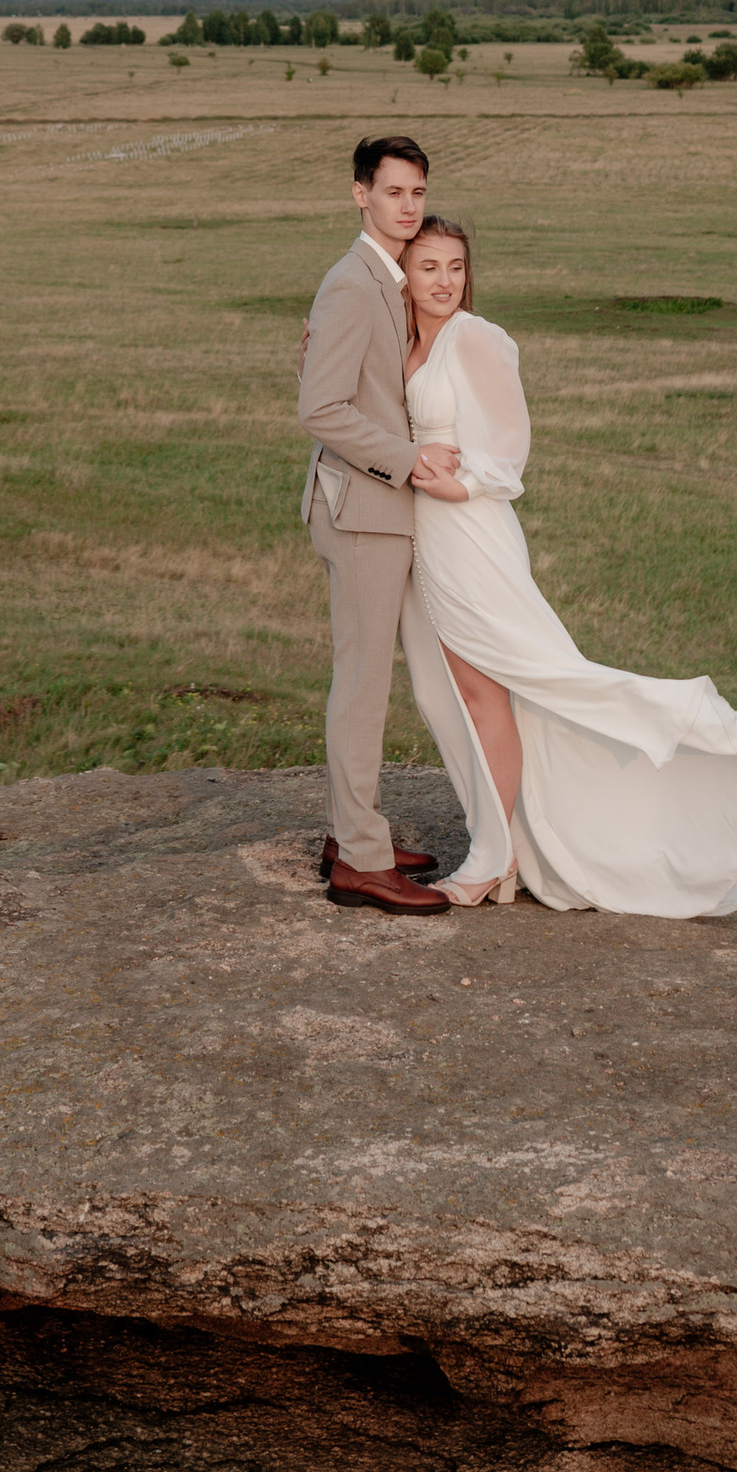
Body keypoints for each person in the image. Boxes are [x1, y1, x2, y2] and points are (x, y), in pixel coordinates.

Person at [399, 213, 737, 915]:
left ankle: (492, 858)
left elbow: (510, 441)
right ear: (405, 272)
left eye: (455, 266)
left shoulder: (474, 337)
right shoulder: (404, 342)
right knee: (438, 692)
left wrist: (464, 484)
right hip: (421, 537)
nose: (445, 281)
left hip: (468, 531)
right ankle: (507, 844)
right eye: (429, 267)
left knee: (488, 690)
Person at [294, 136, 474, 915]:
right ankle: (361, 864)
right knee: (363, 687)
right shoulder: (351, 281)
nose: (408, 206)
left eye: (417, 193)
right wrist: (410, 459)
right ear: (359, 193)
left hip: (379, 510)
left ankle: (354, 833)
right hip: (362, 511)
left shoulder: (387, 277)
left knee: (370, 681)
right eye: (393, 191)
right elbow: (320, 409)